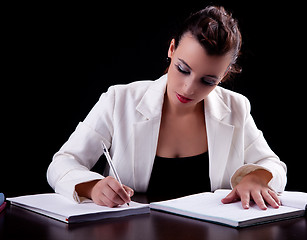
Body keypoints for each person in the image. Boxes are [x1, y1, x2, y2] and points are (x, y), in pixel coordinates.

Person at [47, 6, 287, 210]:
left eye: (208, 81)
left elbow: (273, 164)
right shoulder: (119, 100)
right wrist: (92, 186)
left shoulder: (237, 108)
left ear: (223, 76)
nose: (188, 88)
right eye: (183, 69)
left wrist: (257, 177)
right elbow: (62, 162)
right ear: (172, 49)